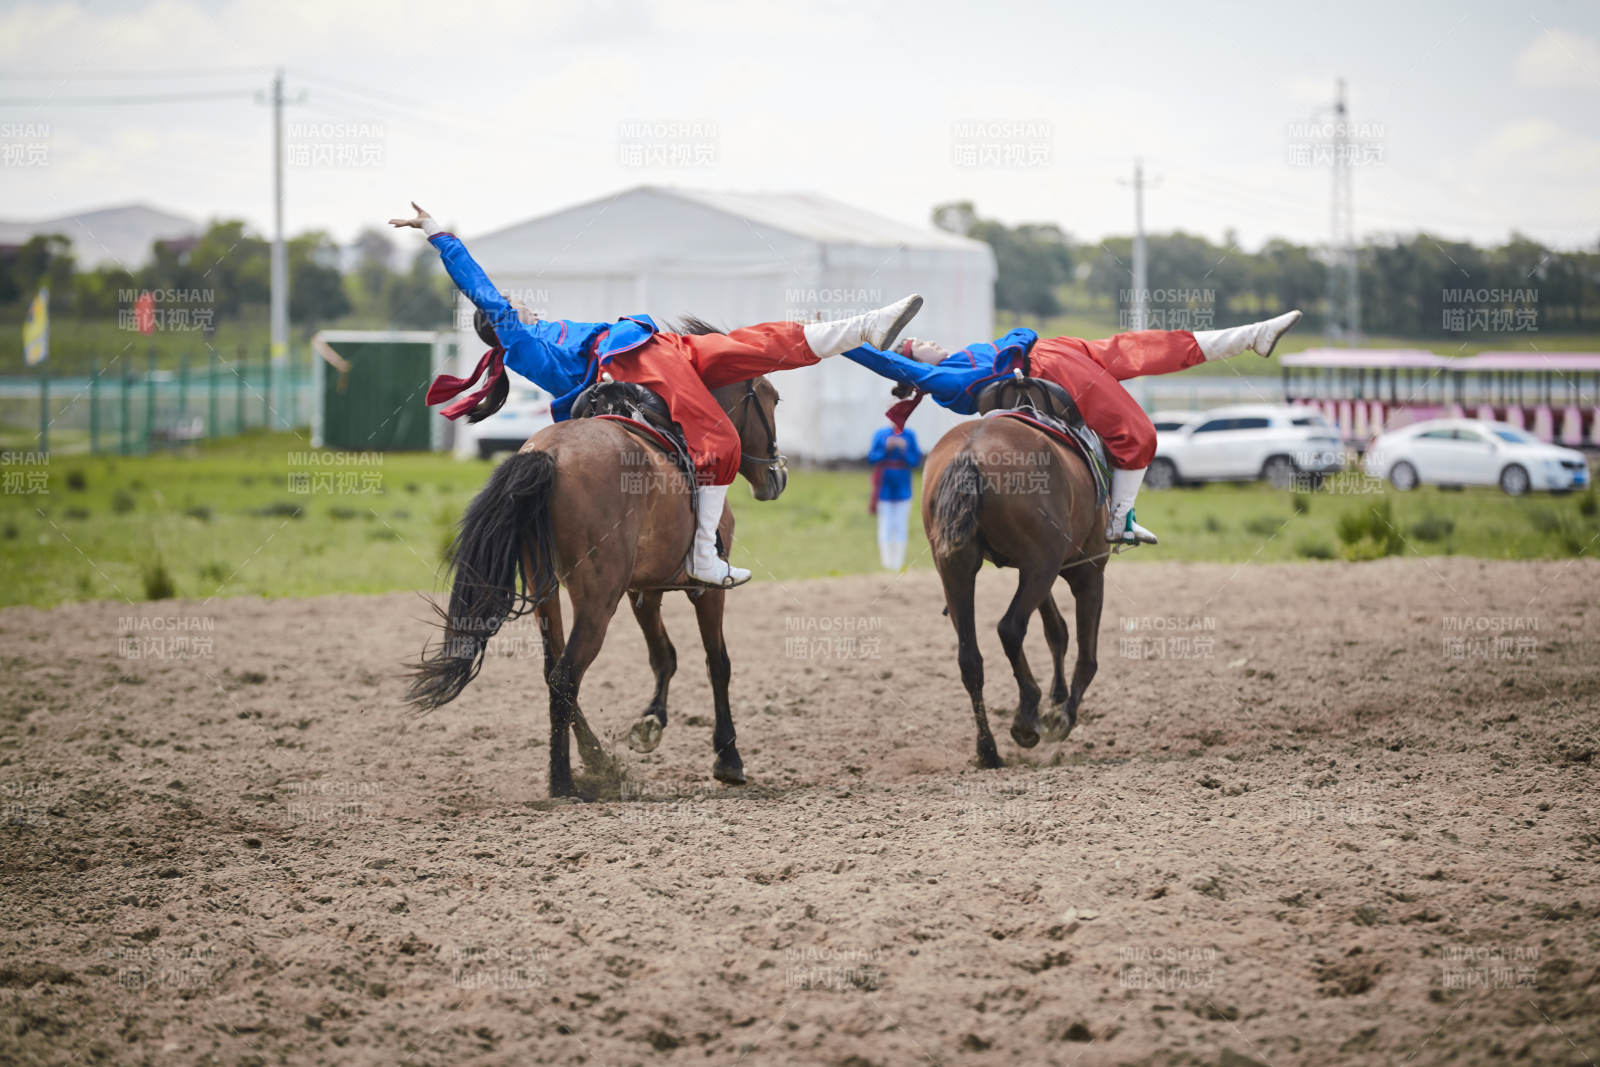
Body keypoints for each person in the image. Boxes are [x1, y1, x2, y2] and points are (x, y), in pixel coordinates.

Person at [389, 203, 923, 587]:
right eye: (510, 305)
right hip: (633, 365)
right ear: (502, 321)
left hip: (658, 345)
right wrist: (438, 234)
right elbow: (479, 287)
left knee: (756, 344)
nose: (521, 303)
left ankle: (864, 327)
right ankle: (704, 557)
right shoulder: (520, 340)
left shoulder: (541, 331)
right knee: (720, 440)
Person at [843, 312, 1301, 545]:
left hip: (1054, 350)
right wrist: (838, 340)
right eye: (918, 345)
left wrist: (1020, 342)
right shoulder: (942, 379)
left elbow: (1018, 335)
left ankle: (1249, 336)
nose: (929, 341)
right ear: (912, 365)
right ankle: (1119, 520)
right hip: (1049, 370)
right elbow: (886, 362)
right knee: (1138, 432)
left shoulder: (965, 355)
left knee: (1145, 346)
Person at [867, 422, 922, 570]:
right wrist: (885, 448)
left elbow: (915, 461)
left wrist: (904, 449)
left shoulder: (909, 435)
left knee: (901, 524)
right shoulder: (880, 434)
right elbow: (871, 458)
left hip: (903, 487)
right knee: (885, 524)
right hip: (884, 487)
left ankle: (898, 562)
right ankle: (886, 563)